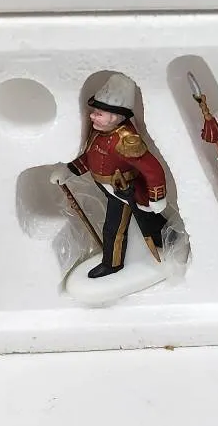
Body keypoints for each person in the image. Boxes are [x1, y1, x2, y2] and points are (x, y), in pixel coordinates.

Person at [48, 73, 170, 278]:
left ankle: (112, 263)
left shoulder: (126, 141)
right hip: (108, 188)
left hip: (125, 191)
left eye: (99, 113)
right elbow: (91, 156)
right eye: (94, 112)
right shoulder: (99, 131)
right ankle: (167, 237)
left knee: (114, 228)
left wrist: (157, 197)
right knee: (148, 220)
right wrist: (69, 171)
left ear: (114, 117)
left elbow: (153, 169)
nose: (92, 116)